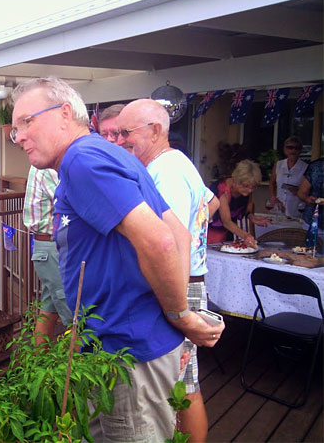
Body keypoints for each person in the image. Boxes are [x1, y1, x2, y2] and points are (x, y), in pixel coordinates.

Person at [10, 77, 224, 442]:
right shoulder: (103, 153)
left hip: (127, 354)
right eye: (15, 129)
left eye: (27, 122)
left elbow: (160, 241)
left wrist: (180, 315)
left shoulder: (81, 161)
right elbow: (179, 233)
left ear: (65, 113)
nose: (19, 136)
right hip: (125, 347)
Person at [118, 99, 220, 443]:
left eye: (126, 132)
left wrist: (173, 301)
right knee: (182, 381)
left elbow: (171, 241)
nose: (119, 140)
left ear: (155, 130)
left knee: (184, 385)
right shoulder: (176, 162)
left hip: (179, 284)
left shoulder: (167, 171)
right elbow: (212, 202)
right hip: (186, 279)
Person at [23, 166, 73, 345]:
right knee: (72, 314)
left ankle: (39, 363)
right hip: (52, 246)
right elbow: (69, 200)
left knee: (48, 309)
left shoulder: (42, 165)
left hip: (47, 246)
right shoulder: (47, 169)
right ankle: (79, 367)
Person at [207, 160, 269, 247]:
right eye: (246, 186)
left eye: (253, 187)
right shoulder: (223, 191)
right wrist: (246, 236)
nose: (250, 190)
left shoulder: (246, 191)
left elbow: (248, 206)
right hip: (211, 235)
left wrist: (251, 216)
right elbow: (226, 222)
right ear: (235, 180)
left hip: (228, 234)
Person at [268, 136, 308, 218]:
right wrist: (273, 196)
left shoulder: (306, 168)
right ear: (285, 149)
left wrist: (298, 191)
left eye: (296, 148)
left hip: (296, 209)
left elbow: (309, 190)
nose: (293, 150)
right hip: (279, 209)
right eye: (290, 147)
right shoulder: (278, 165)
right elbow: (272, 183)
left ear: (300, 151)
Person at [297, 158, 323, 239]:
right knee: (310, 250)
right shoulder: (316, 166)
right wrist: (308, 199)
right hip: (313, 222)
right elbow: (301, 193)